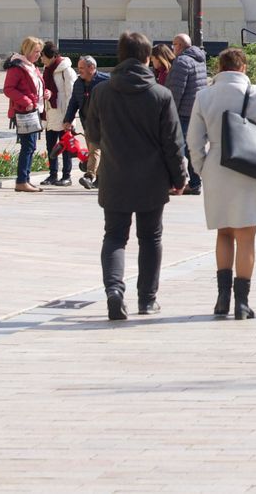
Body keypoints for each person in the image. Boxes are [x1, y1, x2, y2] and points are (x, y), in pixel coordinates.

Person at [81, 31, 188, 320]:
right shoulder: (160, 95)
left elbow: (92, 133)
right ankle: (147, 299)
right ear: (146, 57)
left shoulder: (102, 92)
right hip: (152, 178)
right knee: (151, 237)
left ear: (119, 55)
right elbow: (173, 142)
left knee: (114, 236)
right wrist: (179, 178)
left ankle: (114, 290)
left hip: (115, 174)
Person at [188, 47, 256, 319]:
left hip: (217, 165)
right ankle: (242, 302)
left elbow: (194, 141)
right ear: (242, 68)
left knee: (224, 233)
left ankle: (221, 299)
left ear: (219, 68)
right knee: (246, 237)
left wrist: (202, 168)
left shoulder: (204, 96)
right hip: (249, 166)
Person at [1, 37, 46, 193]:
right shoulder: (17, 67)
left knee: (31, 146)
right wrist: (26, 100)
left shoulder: (31, 66)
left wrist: (44, 93)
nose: (38, 55)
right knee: (28, 146)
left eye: (39, 52)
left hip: (33, 110)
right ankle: (21, 180)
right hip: (23, 112)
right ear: (27, 51)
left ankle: (25, 179)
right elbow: (8, 89)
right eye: (36, 52)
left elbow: (34, 87)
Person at [169, 35, 209, 194]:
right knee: (193, 147)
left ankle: (194, 182)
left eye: (173, 44)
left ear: (179, 45)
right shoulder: (199, 59)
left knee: (185, 148)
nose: (172, 48)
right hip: (196, 109)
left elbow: (176, 90)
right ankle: (196, 180)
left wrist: (170, 111)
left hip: (183, 112)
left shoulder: (181, 62)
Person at [41, 42, 79, 187]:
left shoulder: (66, 71)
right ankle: (52, 175)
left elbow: (72, 95)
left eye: (43, 56)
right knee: (51, 146)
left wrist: (70, 119)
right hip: (51, 113)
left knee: (66, 147)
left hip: (64, 114)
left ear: (51, 56)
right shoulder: (47, 69)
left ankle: (66, 176)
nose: (41, 59)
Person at [67, 55, 103, 190]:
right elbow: (74, 102)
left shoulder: (105, 81)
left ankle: (89, 176)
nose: (79, 70)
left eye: (82, 68)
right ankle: (99, 180)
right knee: (95, 150)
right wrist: (67, 119)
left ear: (91, 68)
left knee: (95, 149)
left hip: (104, 123)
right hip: (88, 123)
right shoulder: (78, 83)